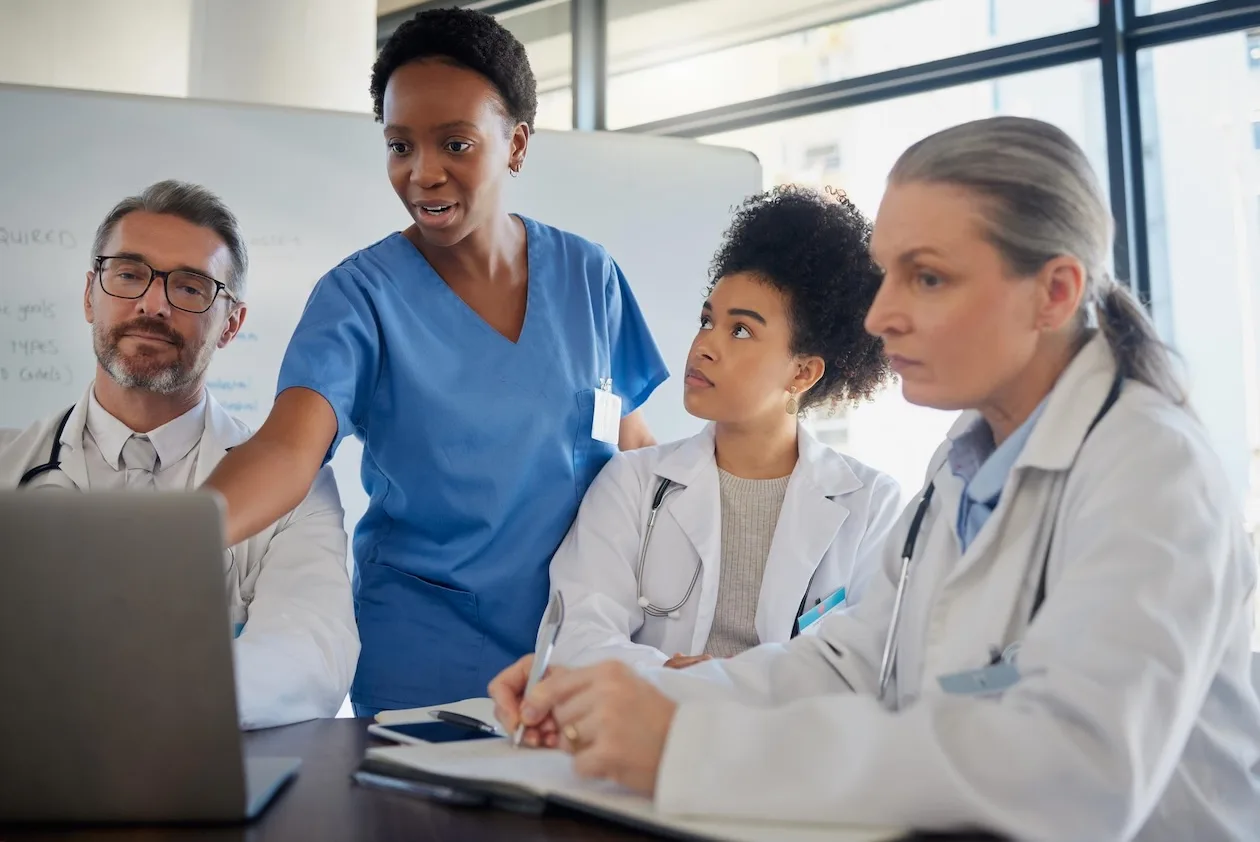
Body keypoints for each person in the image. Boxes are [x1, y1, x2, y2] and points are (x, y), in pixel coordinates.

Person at [490, 117, 1260, 840]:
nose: (882, 314)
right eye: (886, 275)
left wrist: (689, 748)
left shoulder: (1150, 470)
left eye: (926, 278)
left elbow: (1076, 771)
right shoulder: (963, 469)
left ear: (1054, 292)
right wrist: (617, 702)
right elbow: (847, 663)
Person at [201, 8, 668, 715]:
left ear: (515, 144)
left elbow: (631, 451)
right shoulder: (360, 297)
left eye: (455, 143)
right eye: (399, 146)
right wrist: (171, 539)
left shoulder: (588, 276)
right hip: (425, 650)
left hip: (582, 644)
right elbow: (286, 451)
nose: (423, 174)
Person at [0, 180, 359, 731]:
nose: (153, 303)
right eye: (128, 274)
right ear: (90, 294)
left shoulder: (296, 485)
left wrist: (141, 696)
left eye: (191, 288)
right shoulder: (8, 468)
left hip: (212, 779)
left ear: (231, 324)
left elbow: (312, 651)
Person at [549, 186, 900, 671]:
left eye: (741, 330)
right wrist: (669, 678)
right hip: (652, 732)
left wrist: (722, 684)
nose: (704, 346)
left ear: (802, 373)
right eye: (707, 320)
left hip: (790, 743)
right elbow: (575, 636)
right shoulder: (631, 484)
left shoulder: (872, 504)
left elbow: (873, 662)